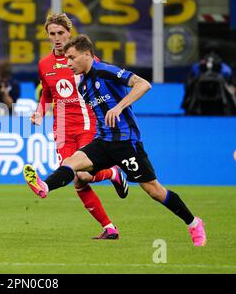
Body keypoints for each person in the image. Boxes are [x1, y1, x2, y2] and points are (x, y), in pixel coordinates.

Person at [24, 34, 207, 247]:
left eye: (72, 58)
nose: (68, 63)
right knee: (71, 164)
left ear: (87, 54)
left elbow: (143, 84)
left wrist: (119, 106)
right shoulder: (83, 85)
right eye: (66, 59)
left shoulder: (106, 71)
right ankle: (44, 186)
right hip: (103, 141)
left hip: (126, 143)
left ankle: (193, 222)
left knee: (154, 190)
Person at [30, 14, 129, 240]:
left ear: (69, 32)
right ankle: (110, 226)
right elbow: (46, 92)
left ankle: (112, 173)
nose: (57, 38)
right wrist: (39, 111)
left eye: (61, 33)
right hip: (62, 129)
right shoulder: (44, 64)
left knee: (82, 173)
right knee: (77, 179)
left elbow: (104, 84)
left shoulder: (85, 58)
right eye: (52, 34)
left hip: (88, 123)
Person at [182, 42, 236, 115]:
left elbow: (233, 89)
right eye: (209, 52)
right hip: (198, 108)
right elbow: (187, 88)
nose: (212, 55)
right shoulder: (196, 68)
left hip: (221, 109)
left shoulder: (225, 70)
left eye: (215, 52)